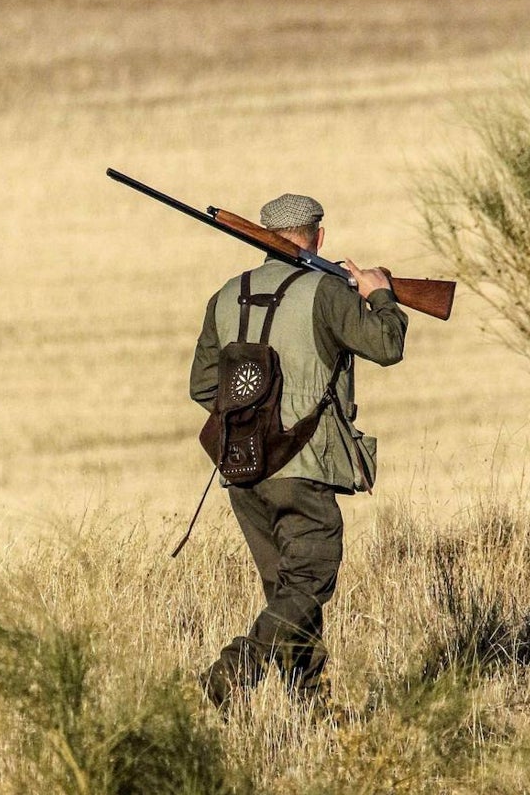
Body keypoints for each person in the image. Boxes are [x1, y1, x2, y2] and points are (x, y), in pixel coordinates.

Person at [187, 192, 408, 712]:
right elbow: (387, 346)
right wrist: (379, 295)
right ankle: (235, 668)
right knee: (309, 581)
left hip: (242, 470)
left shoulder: (226, 294)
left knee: (288, 594)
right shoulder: (326, 292)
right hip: (303, 465)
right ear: (319, 237)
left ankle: (310, 707)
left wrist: (252, 411)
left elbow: (203, 388)